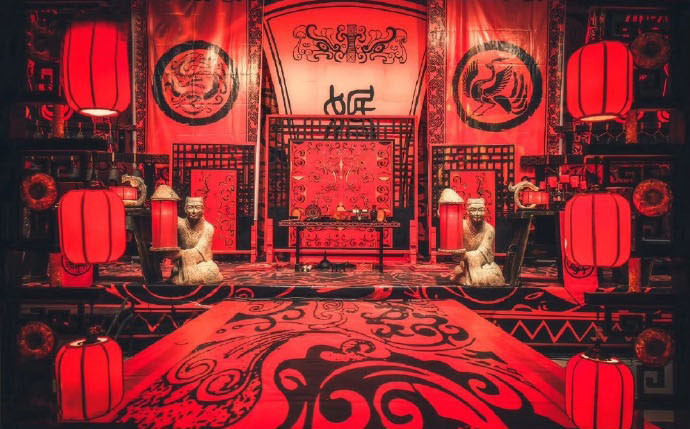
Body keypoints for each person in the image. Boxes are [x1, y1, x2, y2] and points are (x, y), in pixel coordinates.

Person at [168, 197, 223, 285]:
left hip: (202, 263)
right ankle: (182, 274)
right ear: (185, 209)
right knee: (177, 269)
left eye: (197, 208)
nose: (194, 211)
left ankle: (182, 276)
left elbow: (199, 252)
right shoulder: (179, 224)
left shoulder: (208, 228)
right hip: (182, 263)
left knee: (212, 270)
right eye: (190, 207)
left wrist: (180, 254)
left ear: (203, 210)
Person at [451, 198, 505, 286]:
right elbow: (455, 246)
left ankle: (468, 276)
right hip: (465, 264)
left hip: (483, 264)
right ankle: (466, 274)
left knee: (495, 277)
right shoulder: (461, 226)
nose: (477, 213)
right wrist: (457, 253)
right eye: (473, 210)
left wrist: (465, 255)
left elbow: (484, 252)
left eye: (480, 210)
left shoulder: (489, 229)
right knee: (460, 271)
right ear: (467, 211)